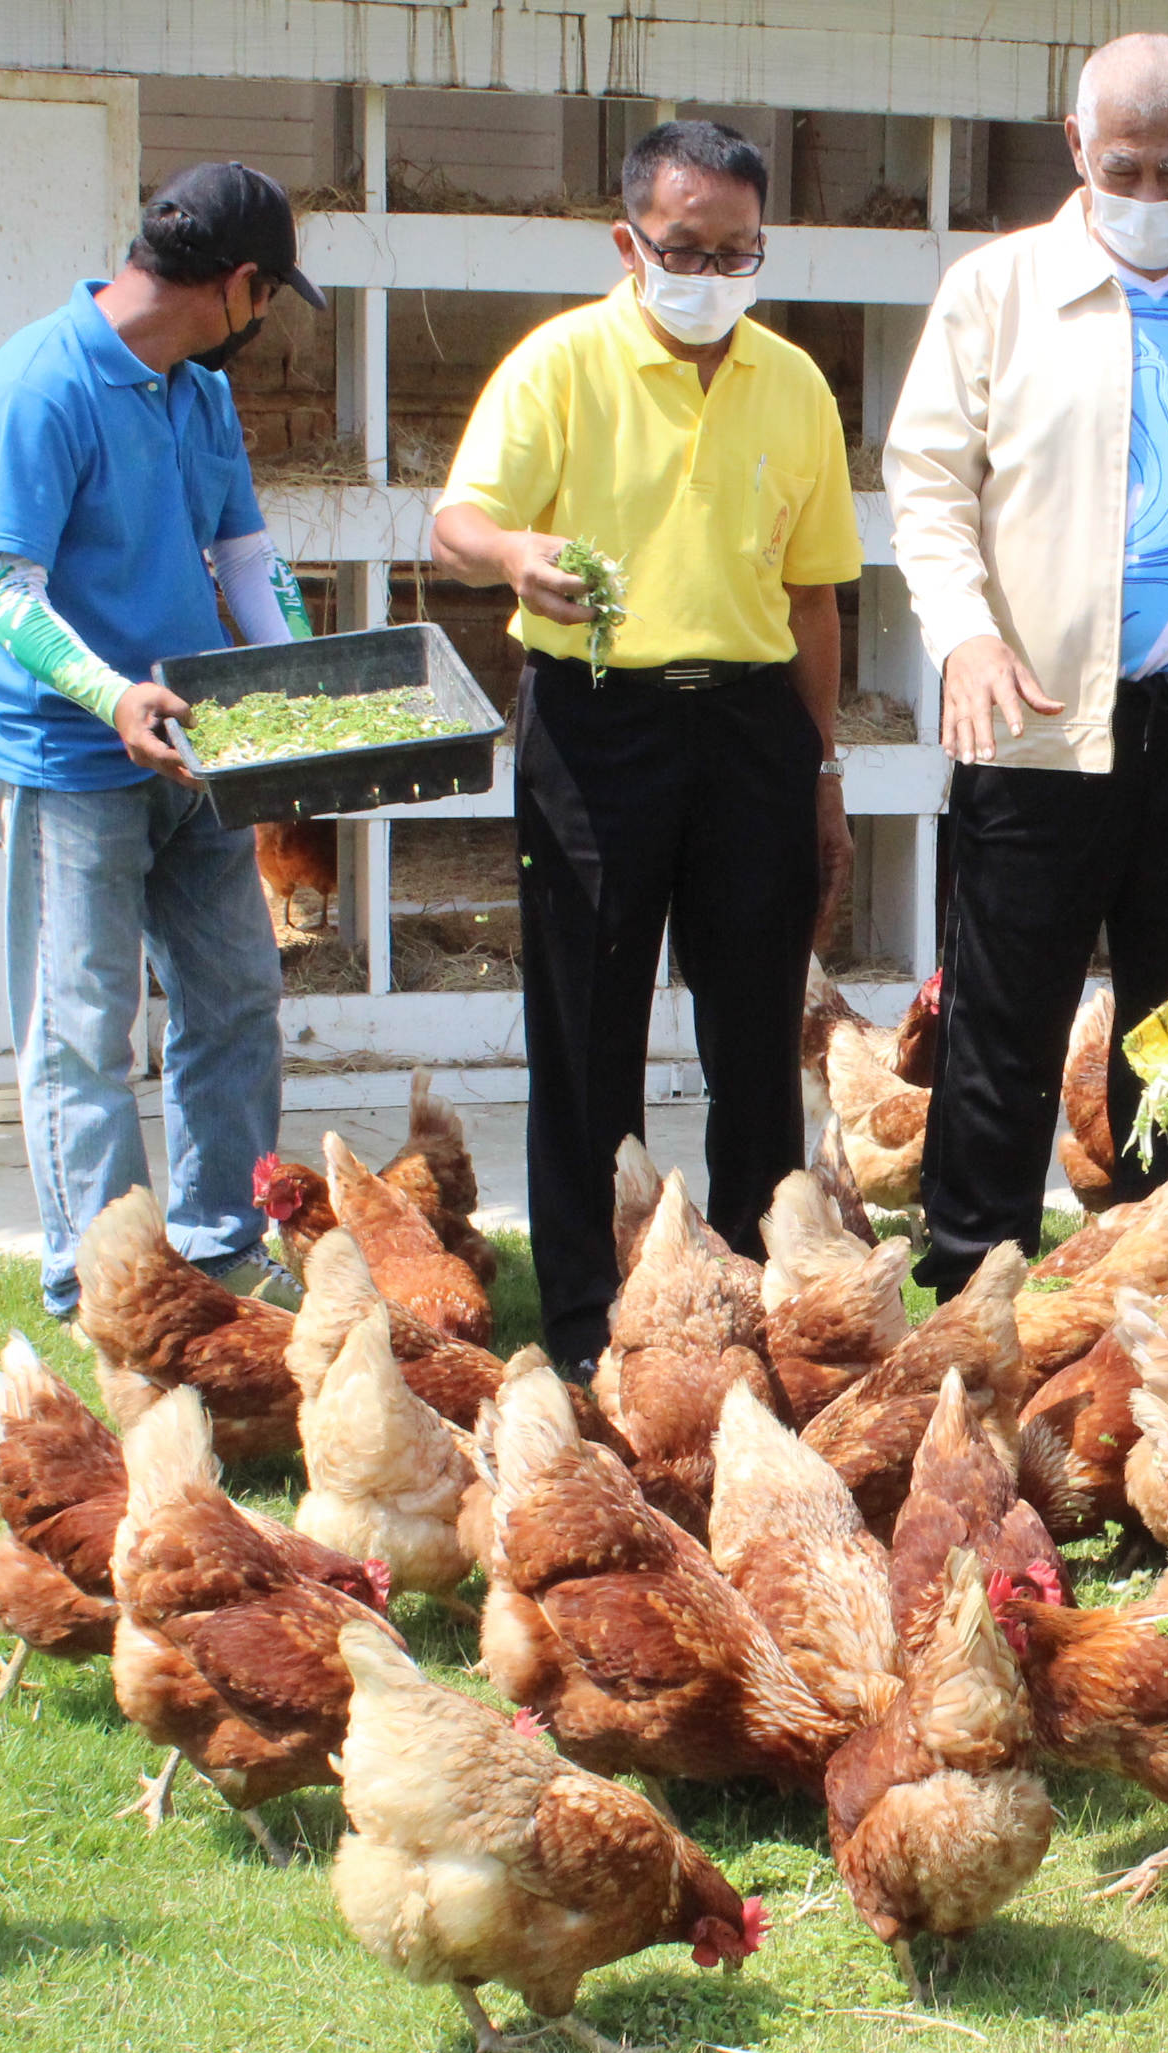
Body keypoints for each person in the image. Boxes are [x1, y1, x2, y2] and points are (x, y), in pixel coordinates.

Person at [887, 31, 1168, 1295]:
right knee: (1003, 1032)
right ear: (1078, 152)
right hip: (1036, 726)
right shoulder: (997, 291)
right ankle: (972, 1292)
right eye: (1128, 167)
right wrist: (964, 633)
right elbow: (926, 484)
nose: (1153, 196)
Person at [432, 119, 862, 1376]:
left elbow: (816, 600)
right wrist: (515, 554)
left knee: (752, 1037)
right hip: (595, 720)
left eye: (739, 251)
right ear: (631, 241)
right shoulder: (559, 364)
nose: (712, 272)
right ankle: (584, 1322)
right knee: (585, 1032)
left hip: (751, 730)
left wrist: (822, 768)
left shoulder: (793, 383)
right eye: (686, 247)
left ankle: (751, 1297)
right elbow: (459, 515)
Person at [0, 161, 331, 1320]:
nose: (263, 325)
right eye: (269, 300)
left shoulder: (195, 392)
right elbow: (5, 592)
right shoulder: (39, 387)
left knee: (233, 1001)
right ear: (237, 284)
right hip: (74, 766)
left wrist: (297, 689)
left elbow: (246, 560)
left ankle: (220, 1252)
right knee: (81, 1033)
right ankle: (109, 1288)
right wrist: (112, 695)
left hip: (200, 756)